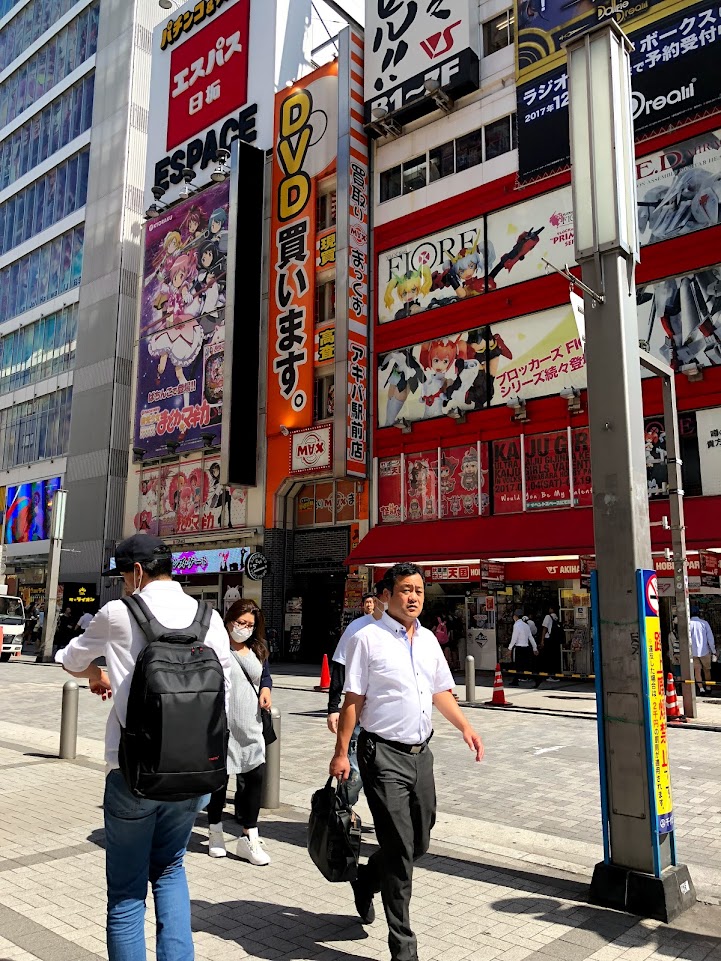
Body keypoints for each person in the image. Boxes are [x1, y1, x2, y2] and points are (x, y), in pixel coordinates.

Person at [55, 534, 232, 961]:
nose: (122, 585)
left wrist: (98, 671)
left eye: (122, 576)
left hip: (133, 773)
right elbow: (222, 686)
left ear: (136, 571)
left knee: (127, 891)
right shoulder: (210, 617)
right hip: (192, 773)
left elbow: (69, 659)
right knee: (171, 870)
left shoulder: (118, 613)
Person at [330, 562, 484, 961]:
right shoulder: (368, 638)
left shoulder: (430, 640)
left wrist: (465, 727)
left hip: (421, 755)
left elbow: (440, 692)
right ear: (387, 594)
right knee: (400, 851)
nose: (414, 597)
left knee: (420, 839)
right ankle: (403, 947)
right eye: (405, 590)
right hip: (381, 754)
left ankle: (367, 878)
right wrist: (341, 752)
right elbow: (353, 702)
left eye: (418, 590)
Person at [206, 599, 273, 864]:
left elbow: (265, 676)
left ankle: (249, 835)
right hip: (220, 724)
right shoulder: (215, 646)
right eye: (240, 622)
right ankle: (215, 831)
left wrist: (266, 689)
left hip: (251, 724)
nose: (244, 628)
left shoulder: (258, 648)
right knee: (218, 780)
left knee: (253, 779)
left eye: (250, 625)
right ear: (229, 620)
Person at [327, 584, 388, 805]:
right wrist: (334, 708)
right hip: (359, 713)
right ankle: (342, 814)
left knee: (384, 774)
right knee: (353, 769)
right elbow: (339, 667)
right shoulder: (358, 628)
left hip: (386, 717)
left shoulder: (402, 628)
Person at [690, 604, 717, 695]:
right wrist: (713, 651)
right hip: (705, 651)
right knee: (707, 670)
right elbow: (710, 638)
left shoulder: (688, 624)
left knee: (697, 670)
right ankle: (708, 687)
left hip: (692, 652)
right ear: (699, 613)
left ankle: (701, 689)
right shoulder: (704, 623)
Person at [508, 609, 538, 685]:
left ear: (516, 616)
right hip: (526, 647)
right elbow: (530, 637)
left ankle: (516, 681)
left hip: (519, 648)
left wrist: (510, 648)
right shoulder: (526, 625)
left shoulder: (516, 625)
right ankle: (534, 679)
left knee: (518, 665)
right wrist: (535, 648)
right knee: (526, 664)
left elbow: (514, 638)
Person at [540, 604, 563, 681]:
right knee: (555, 657)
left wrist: (542, 640)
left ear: (551, 609)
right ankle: (556, 674)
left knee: (548, 657)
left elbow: (544, 628)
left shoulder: (548, 617)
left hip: (549, 639)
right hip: (555, 640)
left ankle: (550, 675)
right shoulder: (557, 617)